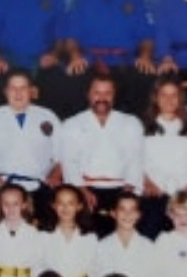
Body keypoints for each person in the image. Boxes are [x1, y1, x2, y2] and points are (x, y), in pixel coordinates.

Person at [64, 0, 155, 118]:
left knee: (145, 77)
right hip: (91, 61)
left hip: (125, 62)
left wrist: (145, 56)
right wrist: (75, 56)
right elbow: (70, 37)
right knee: (72, 78)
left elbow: (146, 36)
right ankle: (80, 129)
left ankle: (137, 128)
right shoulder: (82, 0)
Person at [57, 75, 144, 237]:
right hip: (86, 189)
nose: (102, 98)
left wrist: (127, 193)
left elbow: (136, 159)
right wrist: (81, 191)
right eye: (97, 93)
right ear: (88, 94)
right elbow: (69, 162)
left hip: (121, 189)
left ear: (114, 95)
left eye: (107, 93)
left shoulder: (131, 123)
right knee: (87, 237)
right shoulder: (72, 124)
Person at [0, 69, 61, 227]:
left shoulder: (48, 116)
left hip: (39, 186)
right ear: (5, 91)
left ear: (32, 91)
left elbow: (61, 154)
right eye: (13, 88)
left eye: (23, 88)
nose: (18, 93)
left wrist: (56, 175)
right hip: (0, 185)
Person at [140, 78, 187, 240]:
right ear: (155, 98)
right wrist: (146, 181)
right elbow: (135, 159)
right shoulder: (142, 127)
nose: (169, 100)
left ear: (180, 99)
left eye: (174, 95)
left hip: (184, 193)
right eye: (164, 95)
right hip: (155, 192)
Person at [93, 193, 157, 277]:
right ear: (113, 213)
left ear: (139, 215)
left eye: (132, 210)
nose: (127, 215)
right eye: (122, 209)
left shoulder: (148, 246)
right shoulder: (102, 246)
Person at [40, 185, 98, 277]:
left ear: (79, 206)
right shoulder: (44, 236)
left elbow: (95, 269)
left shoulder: (90, 237)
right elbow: (40, 266)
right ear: (53, 206)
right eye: (60, 203)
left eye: (70, 203)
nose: (65, 208)